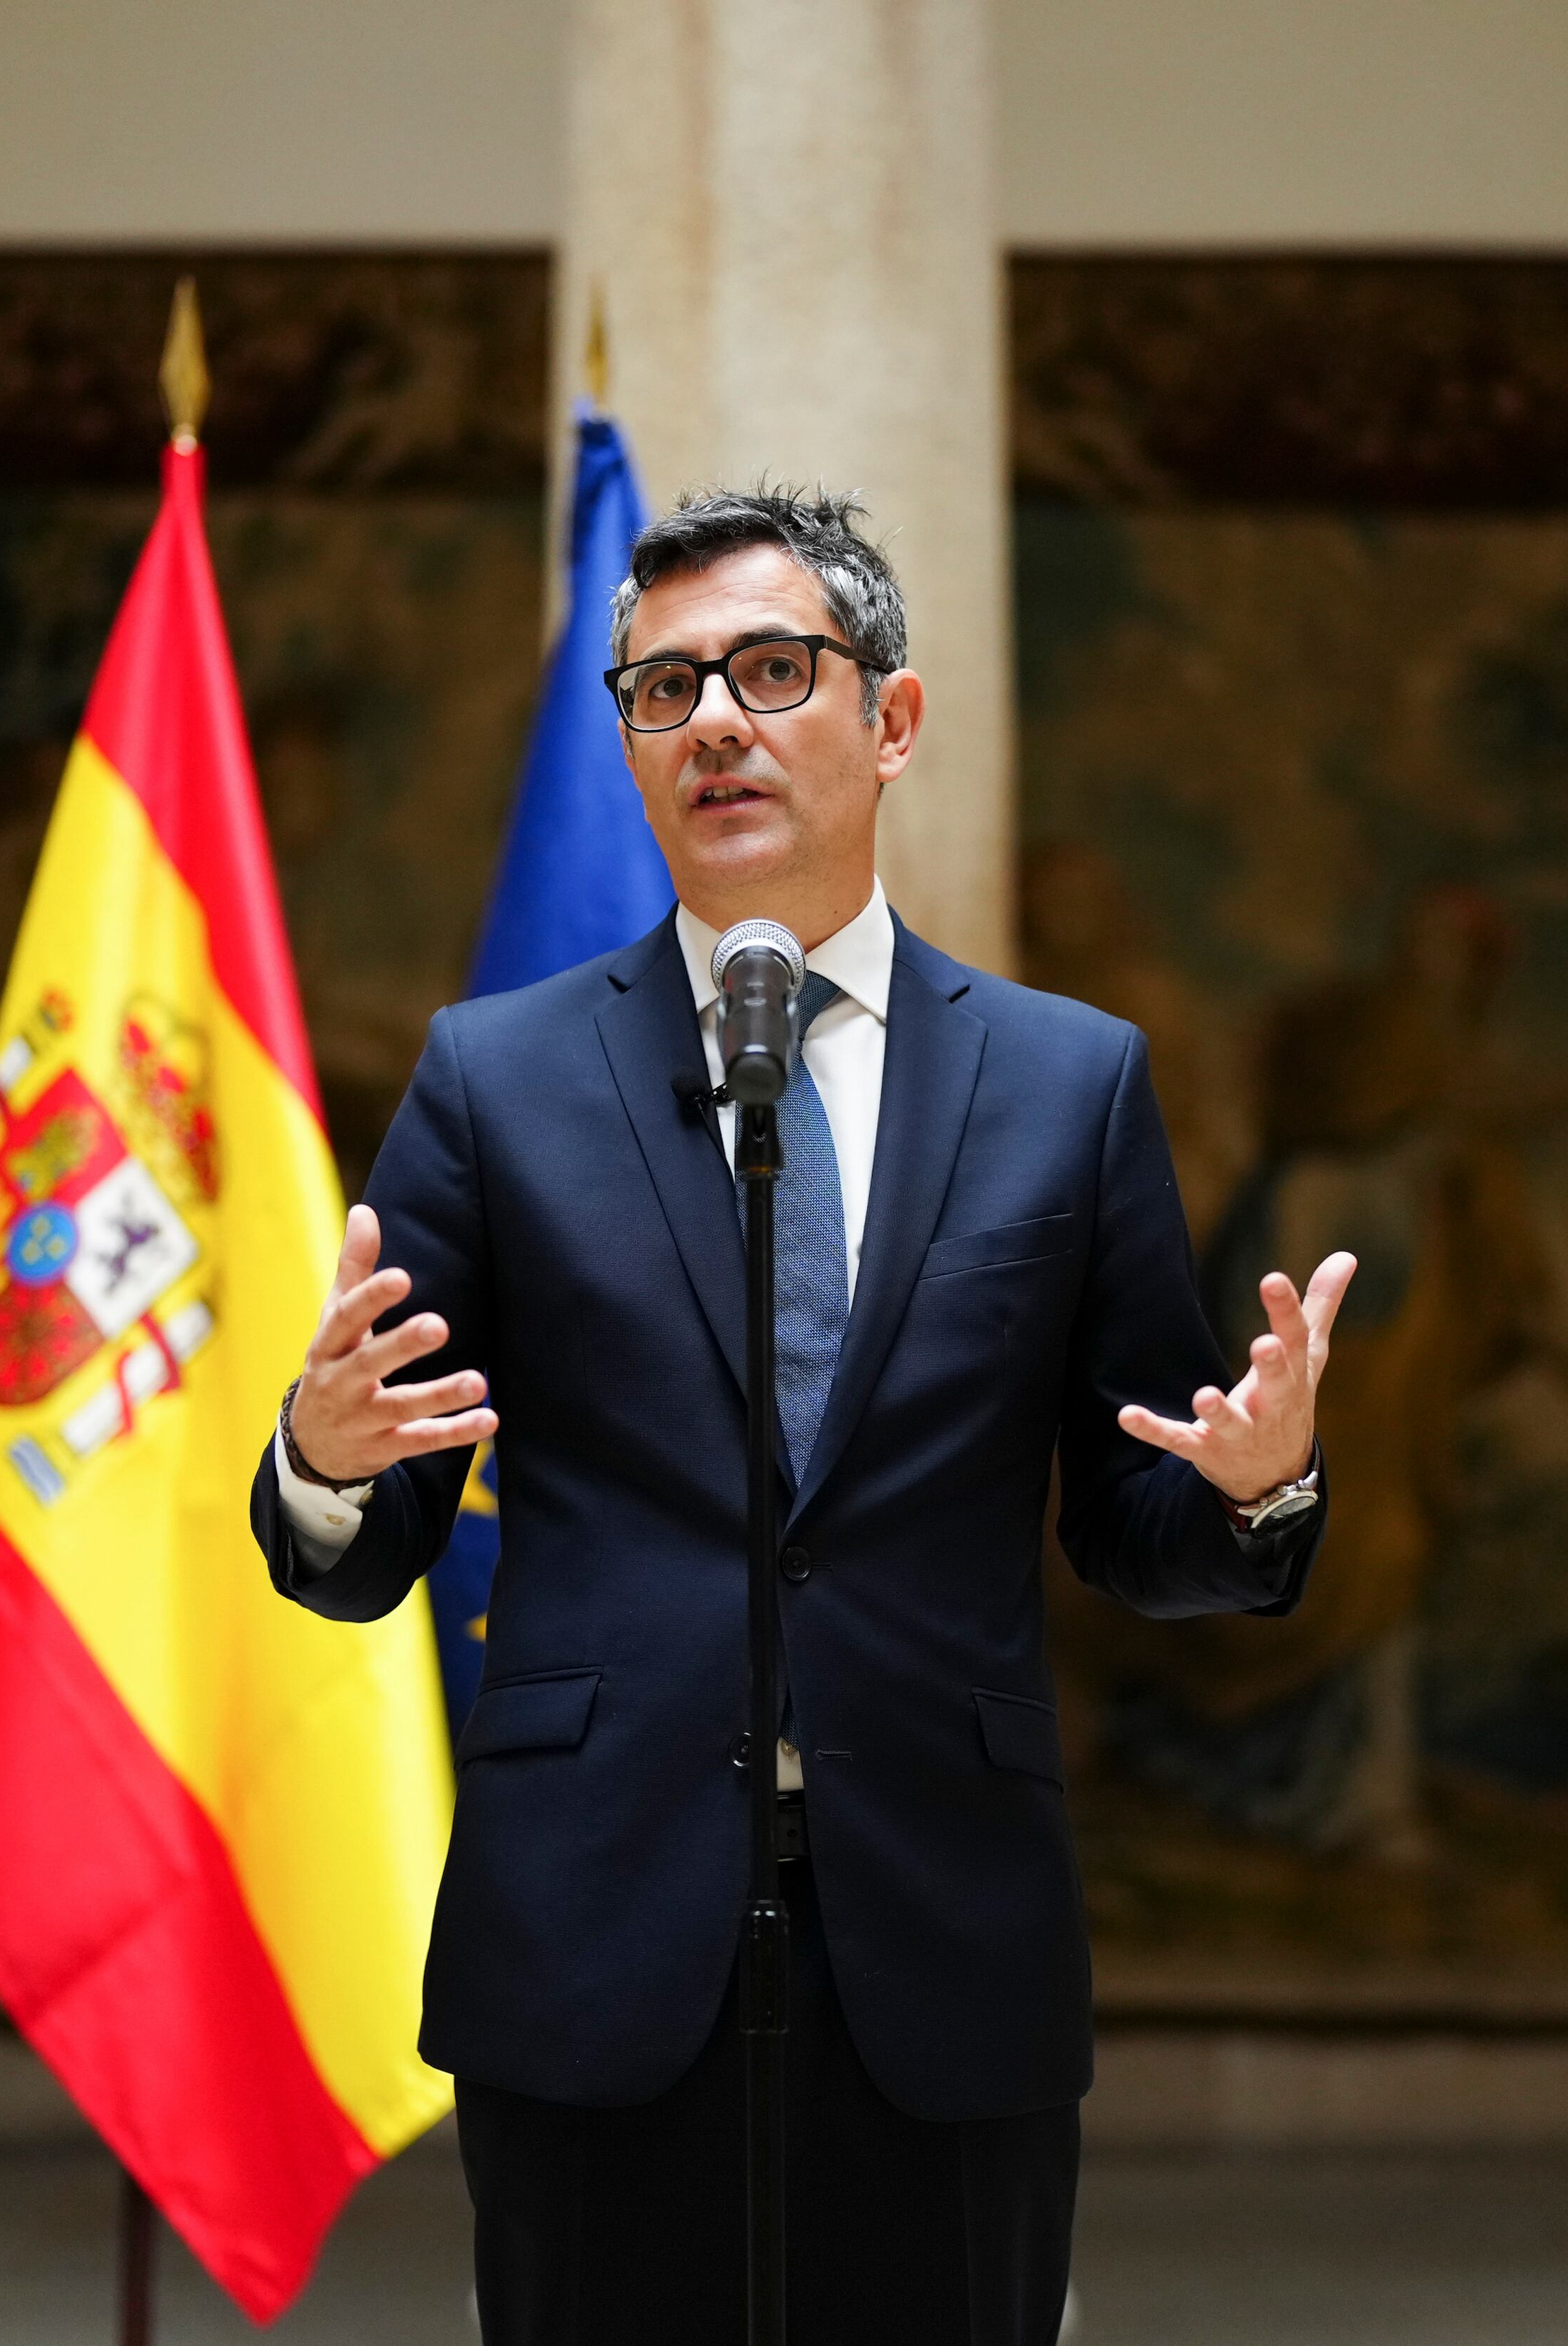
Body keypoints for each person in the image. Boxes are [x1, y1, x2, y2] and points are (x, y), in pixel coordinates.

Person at [253, 487, 1355, 2345]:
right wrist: (328, 1467)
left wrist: (1254, 1492)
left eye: (774, 670)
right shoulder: (494, 1079)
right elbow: (358, 1564)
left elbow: (1134, 1527)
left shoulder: (1066, 1086)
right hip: (594, 1915)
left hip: (940, 1920)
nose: (715, 724)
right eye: (664, 687)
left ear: (891, 720)